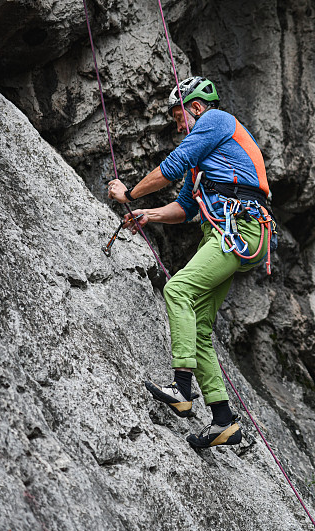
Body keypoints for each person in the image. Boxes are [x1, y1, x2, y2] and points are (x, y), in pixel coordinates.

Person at [107, 76, 274, 448]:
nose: (177, 125)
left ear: (196, 107)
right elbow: (183, 207)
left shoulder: (215, 120)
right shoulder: (206, 162)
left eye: (179, 116)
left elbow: (171, 164)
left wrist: (129, 193)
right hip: (229, 233)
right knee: (198, 327)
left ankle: (182, 388)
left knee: (178, 289)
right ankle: (223, 421)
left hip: (239, 229)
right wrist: (148, 214)